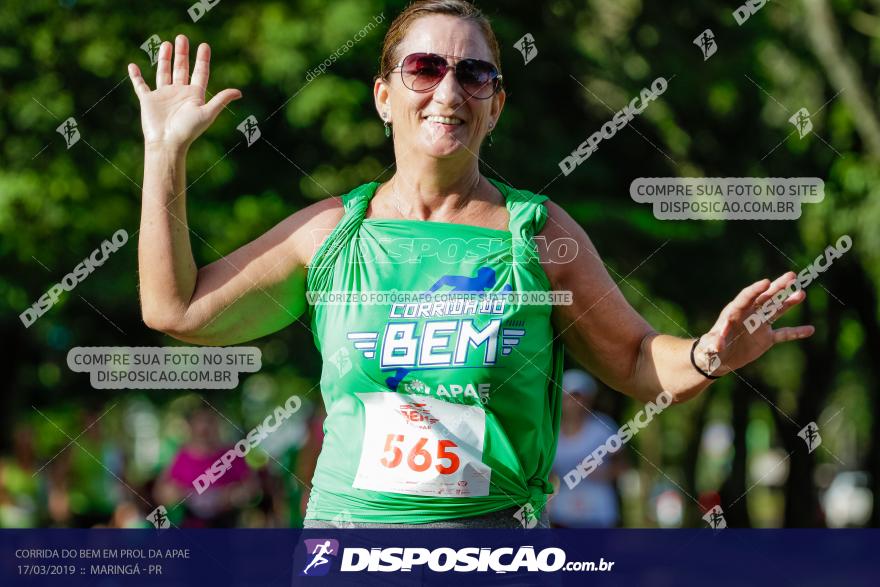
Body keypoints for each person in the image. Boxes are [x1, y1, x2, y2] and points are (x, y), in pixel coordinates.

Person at [127, 0, 814, 528]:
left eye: (474, 72)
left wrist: (706, 354)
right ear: (383, 97)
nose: (449, 89)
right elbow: (175, 309)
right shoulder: (330, 233)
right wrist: (165, 153)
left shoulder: (538, 235)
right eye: (424, 67)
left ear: (495, 105)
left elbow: (635, 358)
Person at [549, 370, 626, 528]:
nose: (573, 403)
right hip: (562, 514)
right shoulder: (551, 433)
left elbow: (622, 466)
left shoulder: (603, 428)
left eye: (578, 397)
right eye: (568, 397)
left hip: (598, 513)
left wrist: (603, 474)